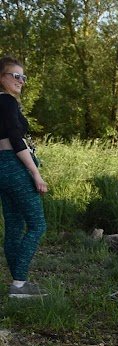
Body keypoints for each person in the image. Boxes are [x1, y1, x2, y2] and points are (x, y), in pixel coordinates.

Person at [0, 56, 47, 297]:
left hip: (2, 169)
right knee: (38, 225)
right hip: (14, 166)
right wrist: (35, 173)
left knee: (15, 226)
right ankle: (19, 284)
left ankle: (18, 282)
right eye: (14, 76)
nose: (21, 81)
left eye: (23, 77)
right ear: (1, 78)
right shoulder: (7, 102)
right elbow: (17, 140)